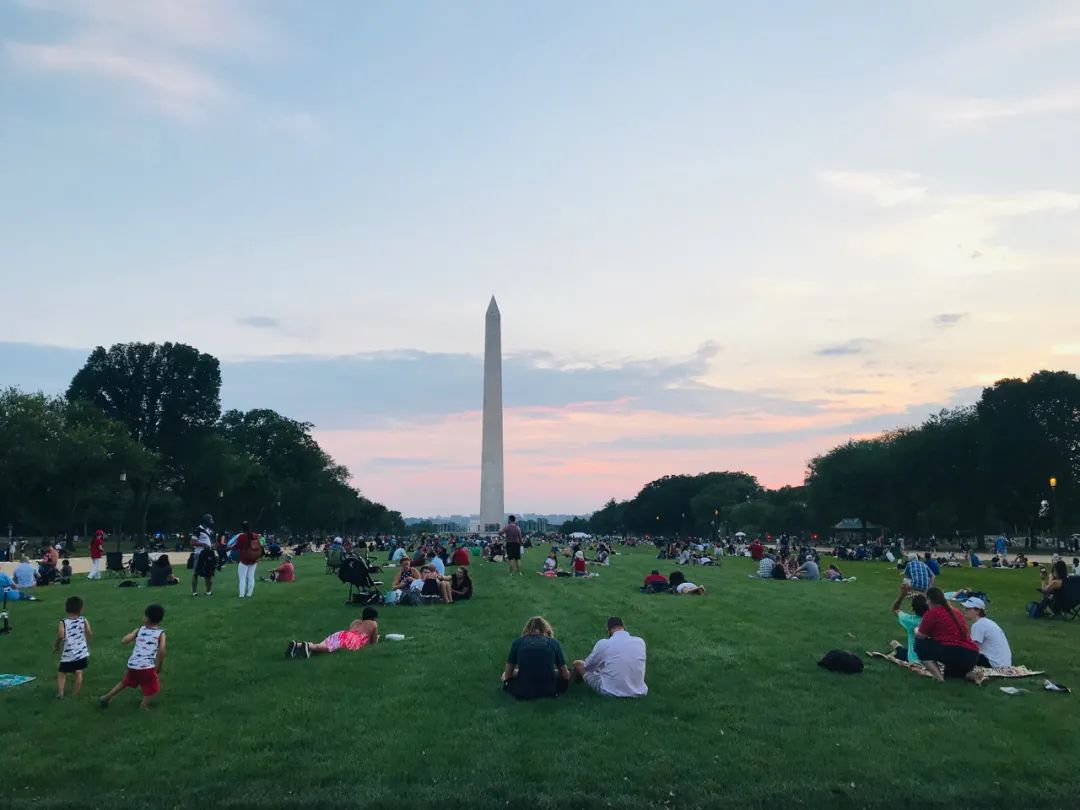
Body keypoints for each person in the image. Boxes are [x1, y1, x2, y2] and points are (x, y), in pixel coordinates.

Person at [99, 604, 167, 710]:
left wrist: (132, 635)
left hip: (133, 665)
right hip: (147, 667)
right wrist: (159, 666)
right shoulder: (160, 634)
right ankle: (143, 707)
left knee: (125, 682)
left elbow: (124, 641)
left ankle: (107, 697)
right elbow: (162, 651)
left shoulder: (139, 630)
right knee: (153, 687)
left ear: (146, 618)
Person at [572, 616, 648, 698]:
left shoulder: (604, 644)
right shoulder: (640, 642)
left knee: (578, 664)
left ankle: (572, 683)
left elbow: (588, 666)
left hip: (610, 691)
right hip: (639, 691)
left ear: (608, 631)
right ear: (624, 627)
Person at [914, 587, 979, 681]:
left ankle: (938, 678)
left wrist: (916, 630)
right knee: (951, 677)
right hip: (971, 654)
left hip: (953, 651)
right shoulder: (956, 612)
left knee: (919, 644)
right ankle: (970, 675)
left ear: (929, 600)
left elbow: (921, 636)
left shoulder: (932, 613)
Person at [501, 616, 571, 700]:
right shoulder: (553, 643)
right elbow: (565, 675)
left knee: (504, 675)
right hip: (549, 690)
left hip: (523, 691)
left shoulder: (517, 643)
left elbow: (508, 675)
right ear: (546, 630)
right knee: (563, 673)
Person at [287, 608, 380, 658]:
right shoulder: (373, 624)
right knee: (329, 649)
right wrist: (377, 637)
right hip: (353, 639)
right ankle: (308, 646)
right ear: (374, 617)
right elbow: (373, 642)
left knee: (322, 645)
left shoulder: (355, 622)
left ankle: (297, 645)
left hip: (342, 634)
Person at [54, 595, 93, 698]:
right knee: (79, 672)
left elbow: (61, 635)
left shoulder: (63, 622)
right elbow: (89, 632)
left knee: (62, 673)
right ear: (80, 609)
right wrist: (85, 642)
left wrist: (56, 645)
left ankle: (61, 693)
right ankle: (75, 694)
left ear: (67, 608)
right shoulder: (83, 620)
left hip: (69, 653)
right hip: (82, 652)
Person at [961, 597, 1012, 669]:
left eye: (968, 609)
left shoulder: (978, 625)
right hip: (1003, 662)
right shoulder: (987, 622)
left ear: (978, 611)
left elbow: (973, 647)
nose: (965, 610)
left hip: (994, 663)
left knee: (961, 655)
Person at [888, 584, 928, 663]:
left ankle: (896, 653)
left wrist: (902, 595)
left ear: (913, 609)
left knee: (894, 643)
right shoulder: (935, 619)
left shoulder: (910, 621)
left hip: (914, 660)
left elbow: (895, 609)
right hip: (933, 660)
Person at [234, 521, 263, 599]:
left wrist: (229, 548)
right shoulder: (255, 535)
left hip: (244, 559)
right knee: (251, 576)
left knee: (242, 578)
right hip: (253, 558)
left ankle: (241, 594)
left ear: (242, 528)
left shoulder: (241, 536)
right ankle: (249, 593)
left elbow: (237, 546)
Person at [190, 514, 215, 597]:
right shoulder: (197, 530)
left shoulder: (208, 530)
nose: (211, 523)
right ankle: (194, 592)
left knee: (209, 573)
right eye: (209, 521)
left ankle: (208, 591)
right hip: (199, 554)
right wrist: (204, 545)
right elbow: (192, 542)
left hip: (207, 554)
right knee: (195, 573)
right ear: (205, 522)